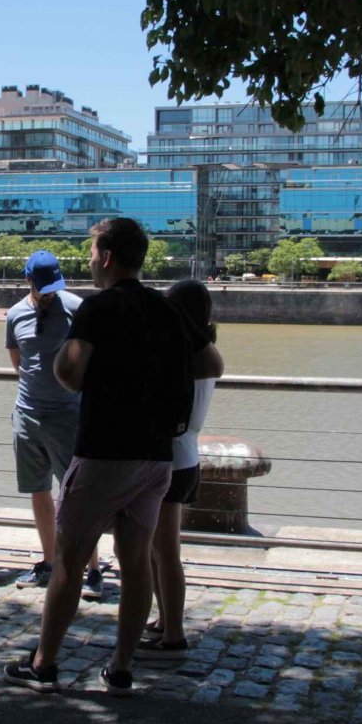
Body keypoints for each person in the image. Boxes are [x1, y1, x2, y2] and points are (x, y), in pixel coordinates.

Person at [5, 218, 221, 695]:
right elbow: (212, 363)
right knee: (137, 559)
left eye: (91, 252)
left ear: (106, 256)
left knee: (69, 560)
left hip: (105, 451)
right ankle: (121, 667)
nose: (88, 260)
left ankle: (44, 665)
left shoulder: (97, 309)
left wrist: (88, 364)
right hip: (157, 457)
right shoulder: (165, 308)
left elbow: (71, 375)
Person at [5, 250, 101, 597]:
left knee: (78, 494)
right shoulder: (15, 314)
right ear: (28, 281)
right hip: (27, 414)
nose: (49, 293)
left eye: (53, 286)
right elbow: (19, 362)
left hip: (68, 415)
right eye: (42, 286)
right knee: (38, 490)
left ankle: (92, 569)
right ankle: (48, 563)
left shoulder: (77, 308)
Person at [140, 279, 224, 659]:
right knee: (160, 550)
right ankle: (164, 620)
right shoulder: (202, 351)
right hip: (185, 457)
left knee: (166, 551)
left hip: (170, 458)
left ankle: (174, 633)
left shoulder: (183, 354)